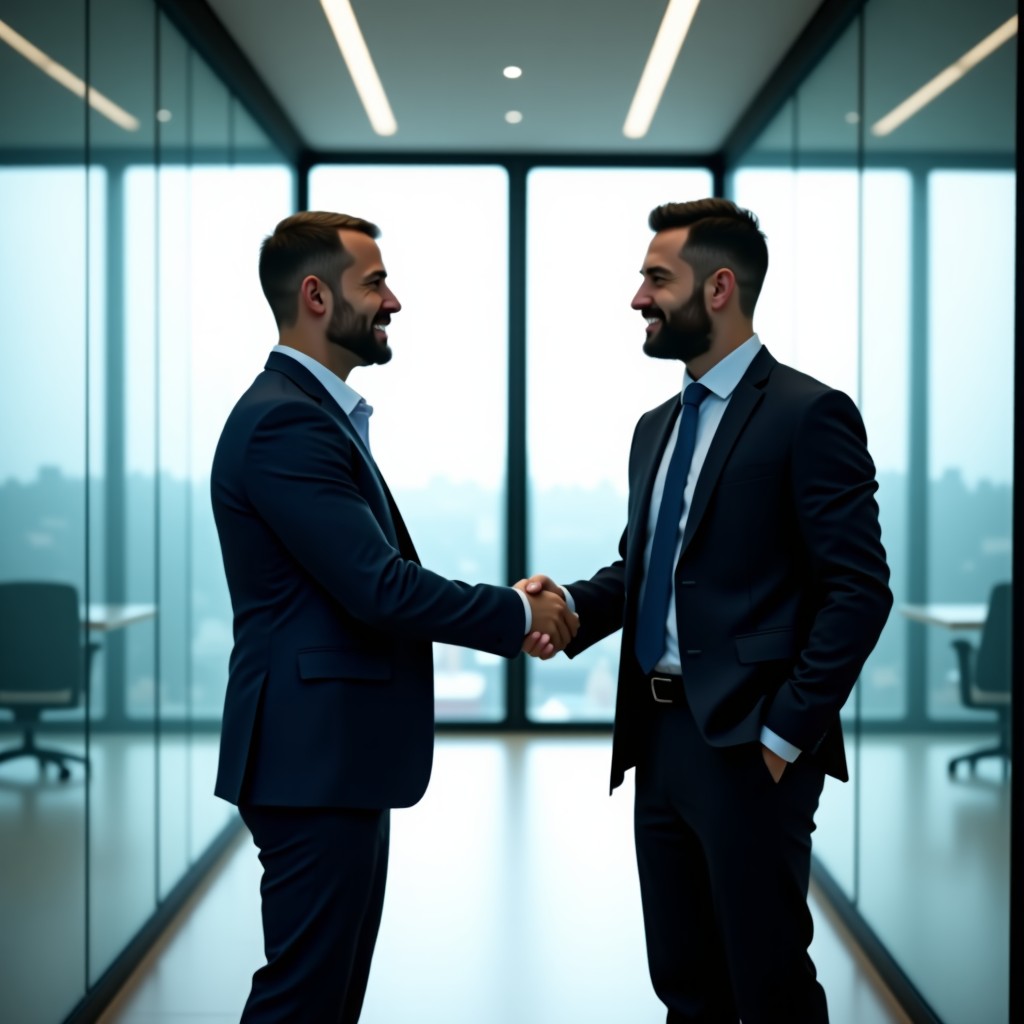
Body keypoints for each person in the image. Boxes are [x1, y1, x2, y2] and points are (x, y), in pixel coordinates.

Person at [520, 198, 892, 1022]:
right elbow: (643, 570)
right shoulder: (654, 427)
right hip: (658, 739)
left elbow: (860, 589)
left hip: (750, 743)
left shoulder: (808, 413)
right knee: (684, 985)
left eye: (656, 278)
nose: (638, 298)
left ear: (719, 287)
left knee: (769, 985)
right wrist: (567, 606)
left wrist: (784, 734)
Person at [210, 210, 578, 1023]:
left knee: (328, 997)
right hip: (312, 759)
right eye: (375, 282)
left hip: (330, 755)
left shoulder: (308, 414)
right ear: (316, 296)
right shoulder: (285, 422)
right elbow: (380, 588)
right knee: (304, 1001)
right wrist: (519, 611)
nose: (394, 301)